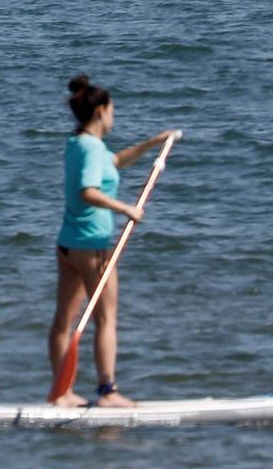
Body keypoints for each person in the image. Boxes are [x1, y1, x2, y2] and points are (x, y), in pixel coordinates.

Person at [48, 75, 177, 408]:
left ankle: (61, 394)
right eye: (113, 110)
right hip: (92, 247)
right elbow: (87, 191)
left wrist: (153, 143)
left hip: (68, 244)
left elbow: (115, 162)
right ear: (102, 110)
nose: (114, 116)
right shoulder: (92, 149)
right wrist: (125, 208)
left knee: (63, 321)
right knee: (106, 319)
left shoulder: (79, 144)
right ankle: (107, 391)